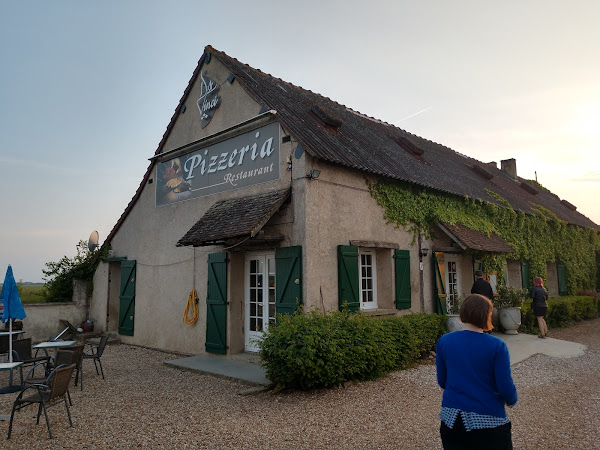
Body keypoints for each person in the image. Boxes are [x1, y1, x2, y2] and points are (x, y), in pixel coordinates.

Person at [436, 294, 518, 450]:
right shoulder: (497, 346)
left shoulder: (445, 341)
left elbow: (442, 381)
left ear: (462, 314)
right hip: (488, 421)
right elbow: (505, 386)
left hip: (451, 420)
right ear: (487, 316)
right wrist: (512, 399)